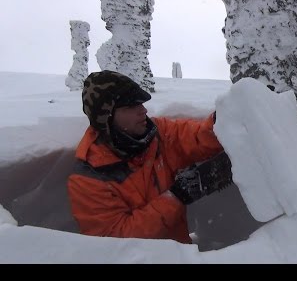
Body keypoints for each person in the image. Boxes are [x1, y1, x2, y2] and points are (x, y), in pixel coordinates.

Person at [68, 70, 223, 243]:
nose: (143, 110)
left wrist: (223, 120)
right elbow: (115, 241)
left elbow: (197, 137)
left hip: (181, 256)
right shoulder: (89, 177)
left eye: (140, 104)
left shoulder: (157, 134)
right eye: (131, 106)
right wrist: (176, 197)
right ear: (106, 118)